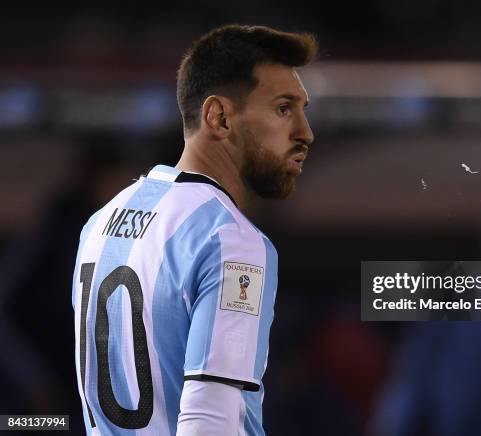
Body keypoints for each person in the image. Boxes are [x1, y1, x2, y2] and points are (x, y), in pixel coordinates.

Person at [72, 24, 317, 435]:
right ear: (218, 117)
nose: (305, 132)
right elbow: (212, 421)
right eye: (283, 108)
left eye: (302, 109)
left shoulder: (100, 222)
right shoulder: (232, 242)